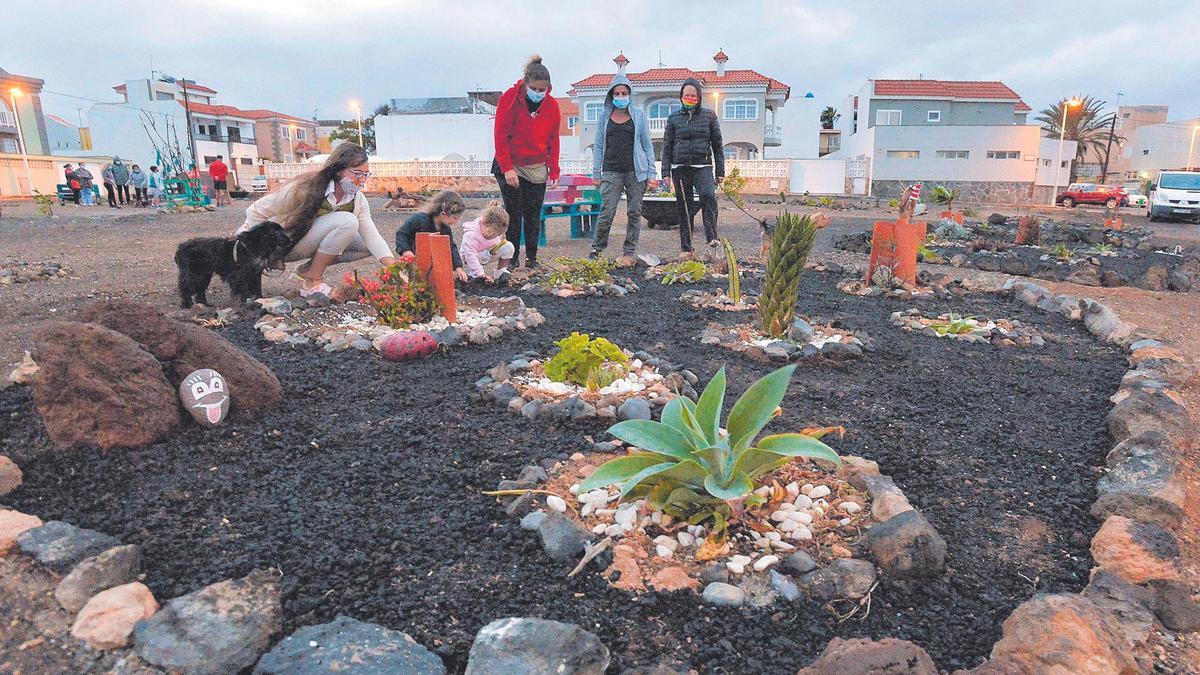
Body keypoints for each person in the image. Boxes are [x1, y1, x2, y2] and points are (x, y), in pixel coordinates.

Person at [240, 143, 396, 297]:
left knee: (365, 244)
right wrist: (266, 251)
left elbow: (373, 238)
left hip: (305, 243)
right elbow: (255, 211)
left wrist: (397, 271)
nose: (362, 180)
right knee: (347, 222)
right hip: (284, 244)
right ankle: (313, 280)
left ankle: (307, 270)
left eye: (365, 174)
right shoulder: (305, 188)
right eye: (356, 173)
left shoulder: (357, 199)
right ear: (338, 170)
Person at [492, 55, 560, 269]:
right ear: (526, 83)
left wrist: (554, 170)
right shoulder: (510, 98)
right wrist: (507, 169)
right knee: (514, 212)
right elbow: (500, 136)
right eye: (535, 89)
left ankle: (532, 257)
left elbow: (553, 140)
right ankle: (511, 258)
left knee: (533, 212)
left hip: (537, 165)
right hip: (511, 163)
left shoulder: (552, 105)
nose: (539, 93)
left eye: (543, 90)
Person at [589, 74, 656, 261]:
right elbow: (599, 145)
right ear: (611, 95)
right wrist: (596, 172)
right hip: (611, 170)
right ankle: (597, 249)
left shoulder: (639, 115)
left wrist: (652, 172)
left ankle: (629, 251)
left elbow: (647, 145)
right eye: (617, 93)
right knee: (607, 211)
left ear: (629, 94)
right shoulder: (604, 116)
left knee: (634, 211)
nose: (620, 96)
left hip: (636, 171)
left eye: (624, 93)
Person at [661, 77, 724, 260]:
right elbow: (667, 145)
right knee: (684, 207)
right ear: (681, 97)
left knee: (708, 197)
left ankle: (712, 241)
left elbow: (717, 145)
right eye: (686, 95)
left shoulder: (709, 116)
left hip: (702, 166)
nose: (690, 98)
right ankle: (687, 249)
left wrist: (720, 171)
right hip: (679, 168)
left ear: (699, 97)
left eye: (693, 96)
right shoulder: (673, 118)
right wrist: (665, 171)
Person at [394, 190, 469, 282]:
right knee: (418, 282)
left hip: (435, 263)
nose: (456, 221)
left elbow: (450, 246)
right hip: (416, 260)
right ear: (443, 214)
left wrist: (458, 267)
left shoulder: (445, 227)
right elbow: (402, 234)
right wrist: (405, 250)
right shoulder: (419, 219)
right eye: (455, 218)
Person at [459, 200, 514, 284]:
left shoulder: (495, 227)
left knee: (509, 247)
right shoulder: (471, 235)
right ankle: (475, 275)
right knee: (476, 266)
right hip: (472, 257)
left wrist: (492, 249)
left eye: (497, 235)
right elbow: (471, 256)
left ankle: (500, 271)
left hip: (488, 252)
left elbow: (498, 240)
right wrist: (480, 273)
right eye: (491, 234)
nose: (493, 236)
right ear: (484, 223)